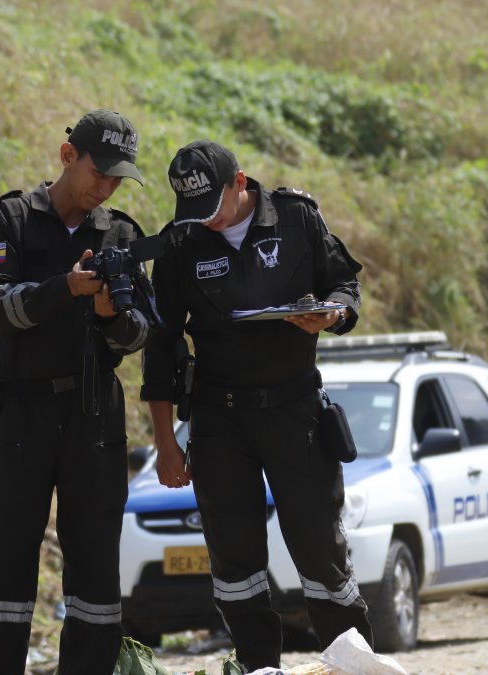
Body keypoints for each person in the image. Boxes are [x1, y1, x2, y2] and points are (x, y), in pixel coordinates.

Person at [141, 139, 372, 670]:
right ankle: (258, 666)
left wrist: (332, 313)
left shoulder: (296, 218)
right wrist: (165, 443)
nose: (208, 223)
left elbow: (344, 283)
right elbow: (161, 344)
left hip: (296, 412)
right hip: (219, 418)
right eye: (195, 213)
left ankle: (354, 665)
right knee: (234, 559)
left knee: (320, 552)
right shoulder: (181, 243)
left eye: (215, 208)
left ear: (239, 183)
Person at [0, 109, 154, 674]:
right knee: (4, 570)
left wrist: (106, 316)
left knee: (96, 578)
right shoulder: (13, 218)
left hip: (95, 420)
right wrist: (62, 289)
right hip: (23, 413)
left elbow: (143, 331)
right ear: (67, 155)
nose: (107, 187)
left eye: (119, 177)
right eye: (100, 171)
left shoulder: (121, 234)